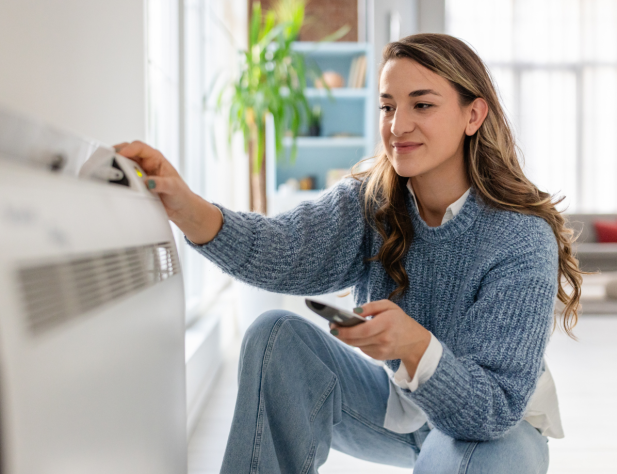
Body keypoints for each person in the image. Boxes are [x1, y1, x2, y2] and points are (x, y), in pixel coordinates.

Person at [116, 33, 583, 473]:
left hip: (494, 426)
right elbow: (282, 248)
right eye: (387, 107)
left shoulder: (520, 236)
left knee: (477, 454)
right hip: (399, 406)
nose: (398, 126)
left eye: (422, 104)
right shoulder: (371, 203)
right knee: (275, 335)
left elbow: (494, 409)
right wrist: (183, 204)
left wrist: (415, 345)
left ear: (473, 115)